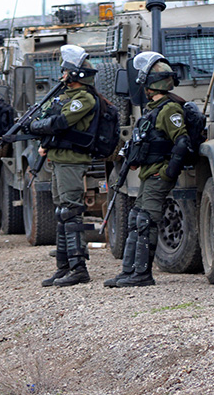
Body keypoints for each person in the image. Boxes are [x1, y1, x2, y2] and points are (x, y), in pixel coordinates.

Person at [105, 52, 190, 288]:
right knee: (136, 218)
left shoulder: (169, 109)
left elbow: (182, 142)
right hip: (149, 172)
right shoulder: (153, 109)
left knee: (145, 221)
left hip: (157, 174)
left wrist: (167, 173)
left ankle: (142, 274)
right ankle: (129, 271)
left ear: (150, 84)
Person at [26, 45, 98, 287]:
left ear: (75, 74)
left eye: (65, 71)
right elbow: (45, 118)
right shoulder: (64, 96)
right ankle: (63, 266)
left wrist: (39, 126)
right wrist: (38, 125)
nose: (61, 75)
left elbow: (60, 122)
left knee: (71, 211)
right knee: (61, 212)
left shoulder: (84, 98)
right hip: (59, 159)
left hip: (72, 160)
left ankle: (79, 268)